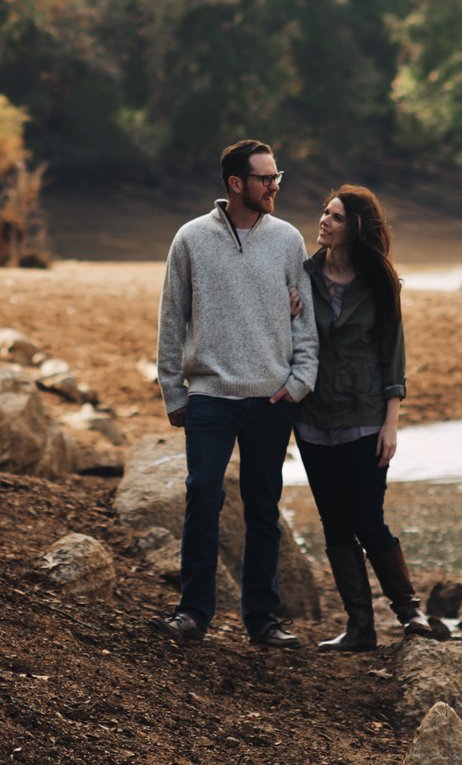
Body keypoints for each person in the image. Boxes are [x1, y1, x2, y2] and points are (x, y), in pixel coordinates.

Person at [153, 138, 317, 646]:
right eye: (266, 179)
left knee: (264, 507)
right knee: (202, 496)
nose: (275, 186)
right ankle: (194, 612)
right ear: (236, 183)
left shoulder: (288, 239)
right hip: (209, 395)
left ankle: (262, 620)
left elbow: (305, 320)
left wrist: (299, 382)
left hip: (271, 397)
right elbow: (171, 316)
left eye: (277, 178)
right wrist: (173, 391)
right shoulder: (191, 239)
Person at [300, 184, 438, 648]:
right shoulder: (303, 276)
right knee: (334, 523)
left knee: (368, 518)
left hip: (364, 417)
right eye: (324, 212)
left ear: (354, 228)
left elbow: (392, 356)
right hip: (314, 419)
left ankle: (409, 612)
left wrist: (391, 422)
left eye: (335, 216)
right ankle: (359, 627)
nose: (324, 221)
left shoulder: (381, 283)